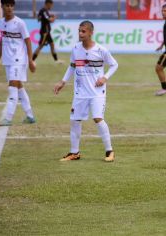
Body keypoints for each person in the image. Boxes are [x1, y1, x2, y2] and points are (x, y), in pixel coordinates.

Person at [53, 21, 118, 162]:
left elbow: (114, 65)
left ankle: (110, 152)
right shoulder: (76, 48)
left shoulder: (101, 50)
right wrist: (63, 82)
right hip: (80, 93)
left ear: (90, 32)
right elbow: (71, 66)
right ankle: (74, 153)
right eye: (79, 31)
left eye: (83, 31)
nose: (80, 34)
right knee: (75, 120)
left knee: (98, 118)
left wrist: (104, 77)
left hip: (97, 93)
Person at [0, 0, 36, 126]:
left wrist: (30, 60)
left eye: (12, 5)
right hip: (8, 60)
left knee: (12, 87)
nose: (10, 8)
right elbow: (2, 40)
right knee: (19, 87)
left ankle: (8, 118)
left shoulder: (20, 23)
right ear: (2, 7)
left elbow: (28, 41)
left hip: (18, 59)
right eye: (7, 5)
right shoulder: (1, 22)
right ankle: (30, 116)